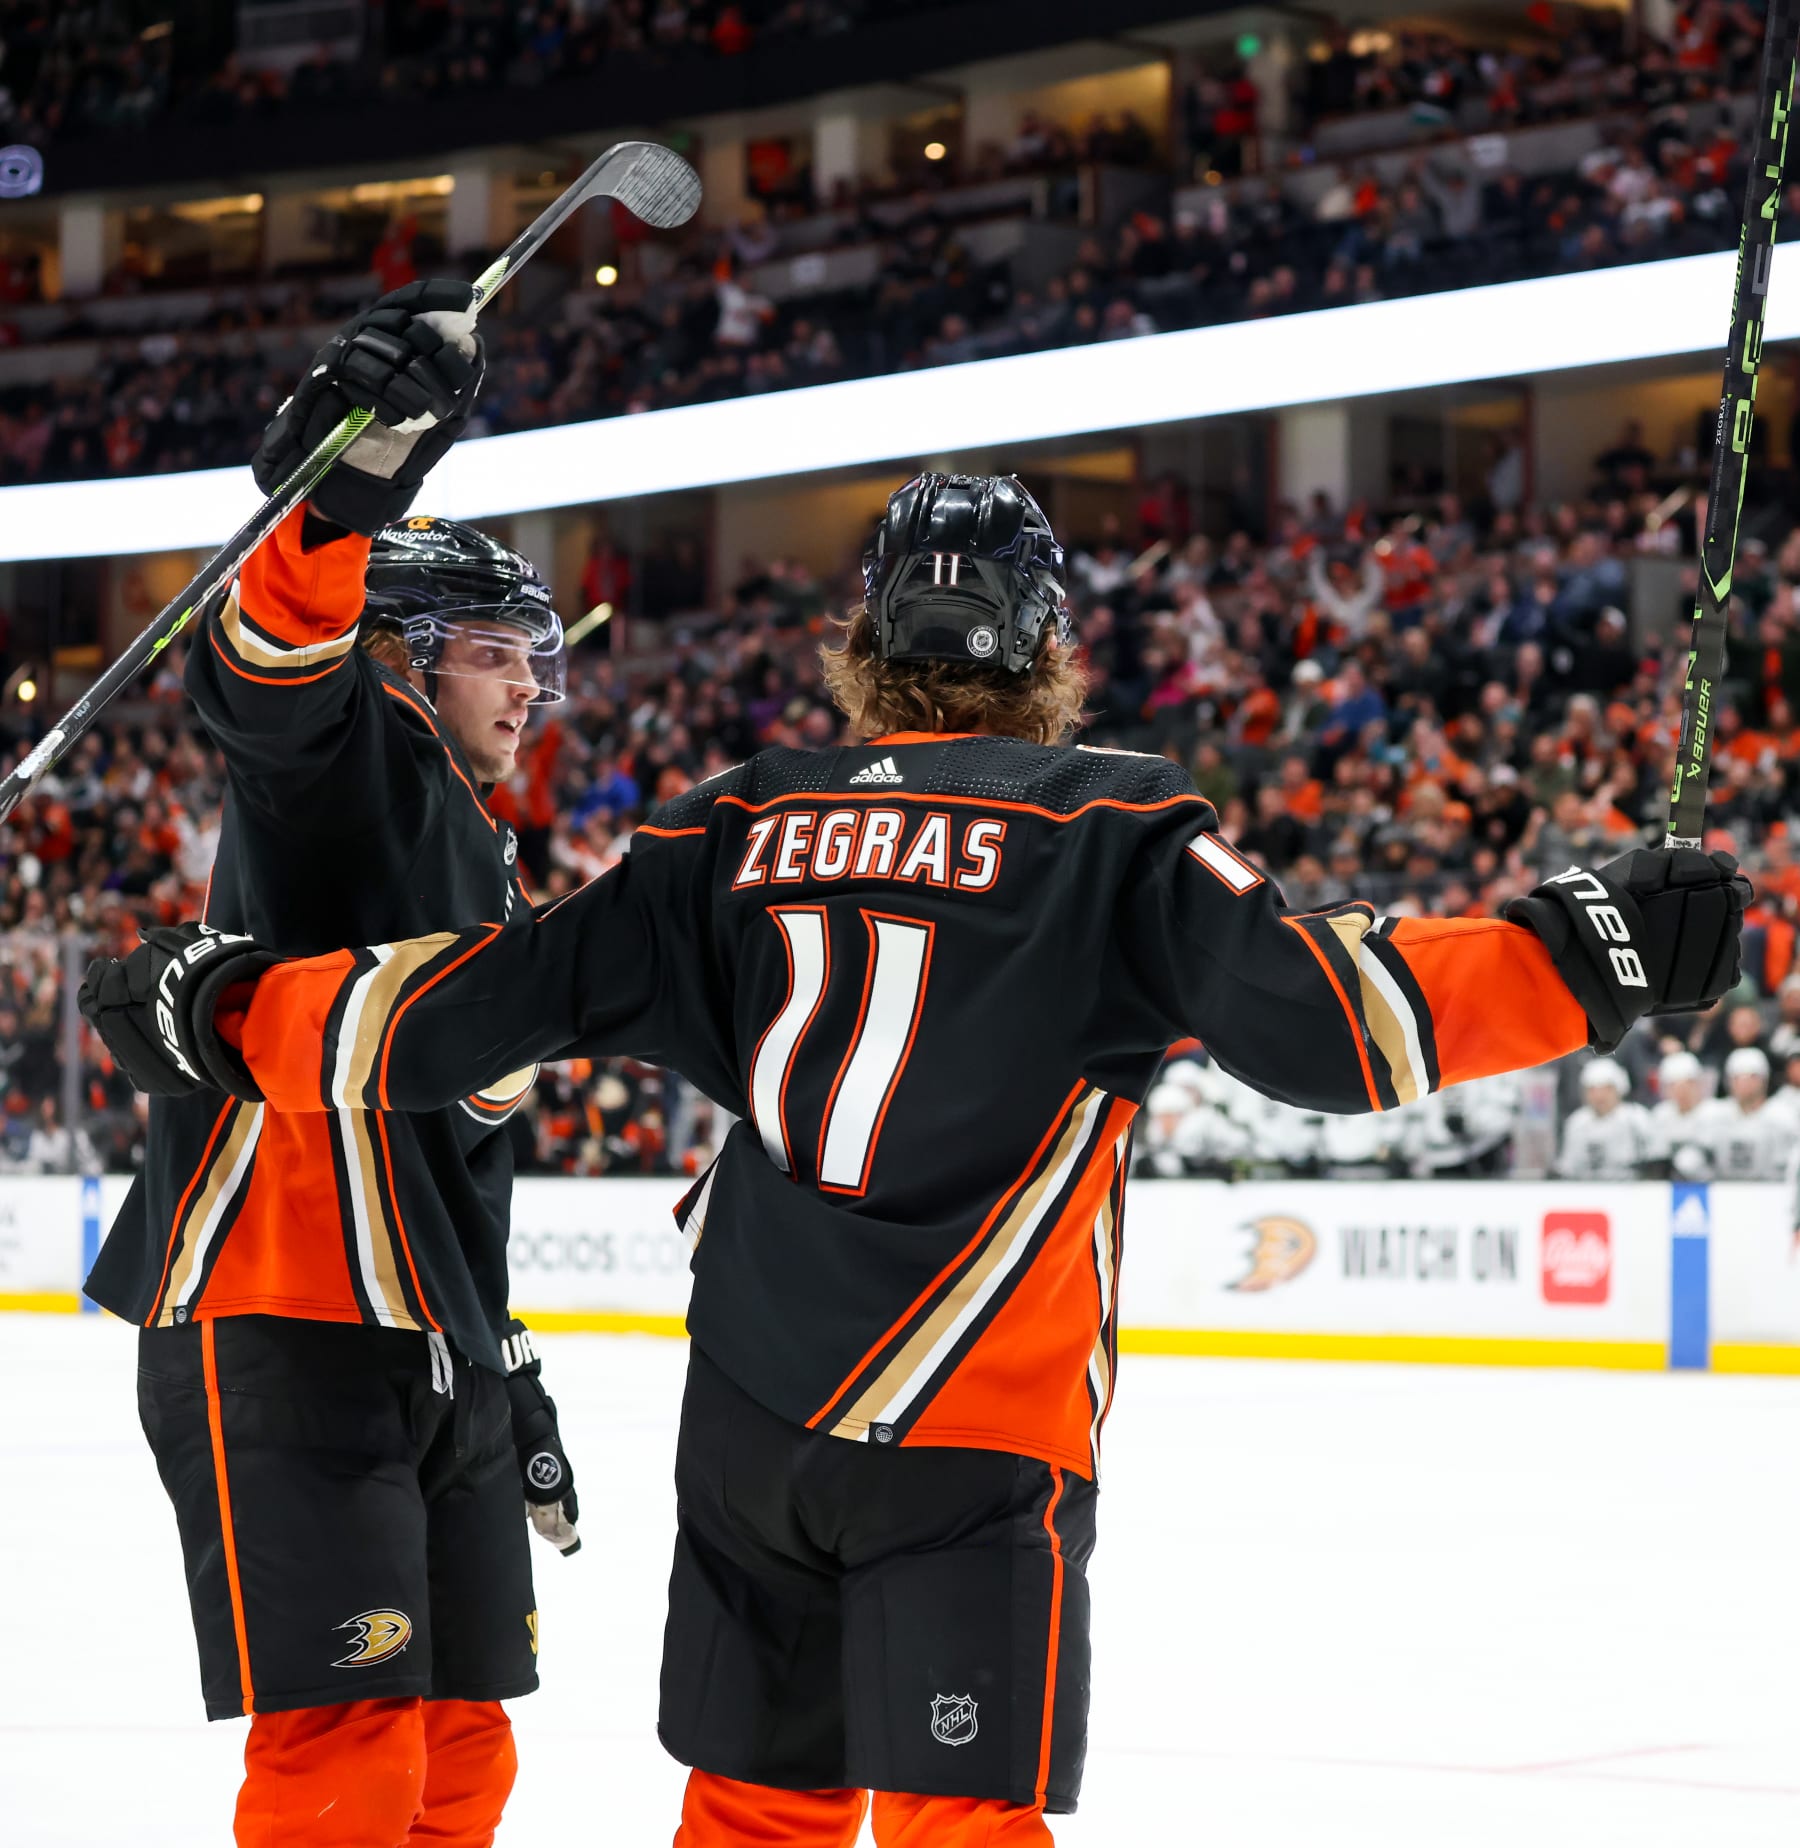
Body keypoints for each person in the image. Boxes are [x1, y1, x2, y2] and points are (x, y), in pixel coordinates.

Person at [83, 471, 1748, 1847]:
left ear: (864, 642)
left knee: (755, 1812)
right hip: (974, 1422)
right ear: (1047, 647)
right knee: (958, 1821)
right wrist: (1588, 948)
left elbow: (475, 1005)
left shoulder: (729, 824)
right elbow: (1339, 1021)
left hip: (753, 1424)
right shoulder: (1111, 827)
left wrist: (222, 1010)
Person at [80, 282, 582, 1848]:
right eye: (494, 651)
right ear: (403, 657)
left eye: (533, 657)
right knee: (350, 1761)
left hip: (434, 1341)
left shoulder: (487, 860)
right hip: (286, 1314)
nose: (528, 686)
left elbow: (457, 1158)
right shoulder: (352, 769)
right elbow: (272, 668)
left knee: (462, 1754)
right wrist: (350, 490)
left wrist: (506, 1361)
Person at [1692, 1045, 1799, 1180]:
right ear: (1729, 1081)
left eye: (1751, 1077)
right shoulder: (1714, 1114)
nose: (1745, 1083)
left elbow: (1792, 1162)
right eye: (1738, 1077)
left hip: (1770, 1189)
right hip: (1722, 1188)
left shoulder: (1782, 1116)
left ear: (1764, 1080)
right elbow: (1695, 1157)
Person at [1557, 1058, 1660, 1179]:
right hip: (1586, 1186)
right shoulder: (1577, 1123)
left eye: (1606, 1089)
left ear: (1619, 1089)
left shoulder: (1636, 1118)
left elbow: (1655, 1160)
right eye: (1592, 1090)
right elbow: (1568, 1166)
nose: (1599, 1096)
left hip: (1631, 1186)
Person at [1651, 1048, 1712, 1177]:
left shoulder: (1713, 1113)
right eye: (1674, 1085)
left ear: (1698, 1084)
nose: (1682, 1092)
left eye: (1688, 1084)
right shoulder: (1660, 1115)